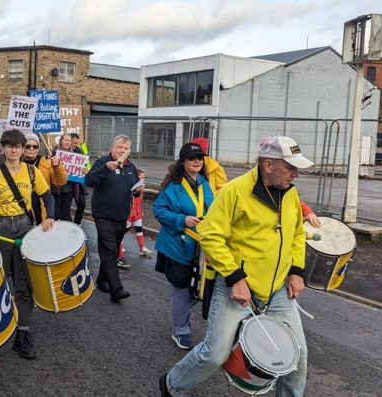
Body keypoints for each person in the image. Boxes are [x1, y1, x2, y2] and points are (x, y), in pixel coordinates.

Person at [159, 135, 312, 397]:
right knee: (214, 355)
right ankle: (171, 385)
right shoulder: (235, 191)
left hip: (277, 291)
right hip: (235, 287)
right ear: (268, 165)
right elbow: (210, 235)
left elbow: (297, 234)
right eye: (290, 167)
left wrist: (296, 271)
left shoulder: (291, 193)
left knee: (297, 355)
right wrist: (234, 277)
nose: (296, 174)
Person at [0, 129, 55, 360]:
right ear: (3, 148)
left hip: (23, 227)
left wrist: (49, 215)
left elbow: (47, 196)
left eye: (18, 146)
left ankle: (23, 333)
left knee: (24, 283)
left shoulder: (32, 172)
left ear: (23, 149)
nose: (14, 149)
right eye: (9, 145)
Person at [153, 143, 214, 350]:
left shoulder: (205, 182)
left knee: (200, 289)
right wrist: (182, 220)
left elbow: (213, 209)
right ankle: (180, 330)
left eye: (200, 157)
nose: (197, 161)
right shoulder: (174, 186)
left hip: (200, 245)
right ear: (183, 162)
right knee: (181, 290)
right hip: (177, 245)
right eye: (192, 158)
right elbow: (158, 210)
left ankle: (182, 318)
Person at [85, 134, 139, 302]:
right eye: (119, 147)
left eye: (125, 148)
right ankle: (117, 289)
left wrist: (137, 190)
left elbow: (135, 186)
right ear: (112, 148)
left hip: (121, 217)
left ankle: (102, 280)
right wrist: (105, 169)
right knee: (109, 251)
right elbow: (90, 181)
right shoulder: (102, 162)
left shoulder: (131, 167)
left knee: (112, 250)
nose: (122, 150)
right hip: (103, 216)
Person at [23, 133, 67, 224]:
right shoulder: (16, 164)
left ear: (38, 148)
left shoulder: (47, 163)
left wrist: (57, 166)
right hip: (24, 211)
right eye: (28, 146)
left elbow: (60, 182)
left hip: (43, 208)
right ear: (22, 148)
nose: (31, 149)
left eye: (35, 146)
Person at [117, 169, 153, 269]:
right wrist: (129, 215)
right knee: (122, 232)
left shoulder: (140, 188)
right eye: (141, 178)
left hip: (137, 213)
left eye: (144, 178)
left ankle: (142, 247)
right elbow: (129, 201)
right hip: (129, 214)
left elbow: (138, 201)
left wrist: (139, 210)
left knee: (139, 229)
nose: (143, 180)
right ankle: (119, 251)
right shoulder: (131, 188)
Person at [53, 133, 77, 221]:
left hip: (69, 188)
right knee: (55, 212)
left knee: (65, 212)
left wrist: (82, 171)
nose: (67, 142)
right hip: (56, 189)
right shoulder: (53, 153)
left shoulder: (75, 156)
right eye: (65, 140)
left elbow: (79, 170)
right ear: (61, 141)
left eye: (69, 140)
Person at [70, 133, 88, 225]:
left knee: (82, 204)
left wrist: (86, 171)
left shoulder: (80, 151)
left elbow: (85, 164)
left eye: (77, 143)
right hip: (67, 184)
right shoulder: (61, 151)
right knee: (65, 206)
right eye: (74, 143)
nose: (76, 145)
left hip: (78, 183)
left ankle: (77, 222)